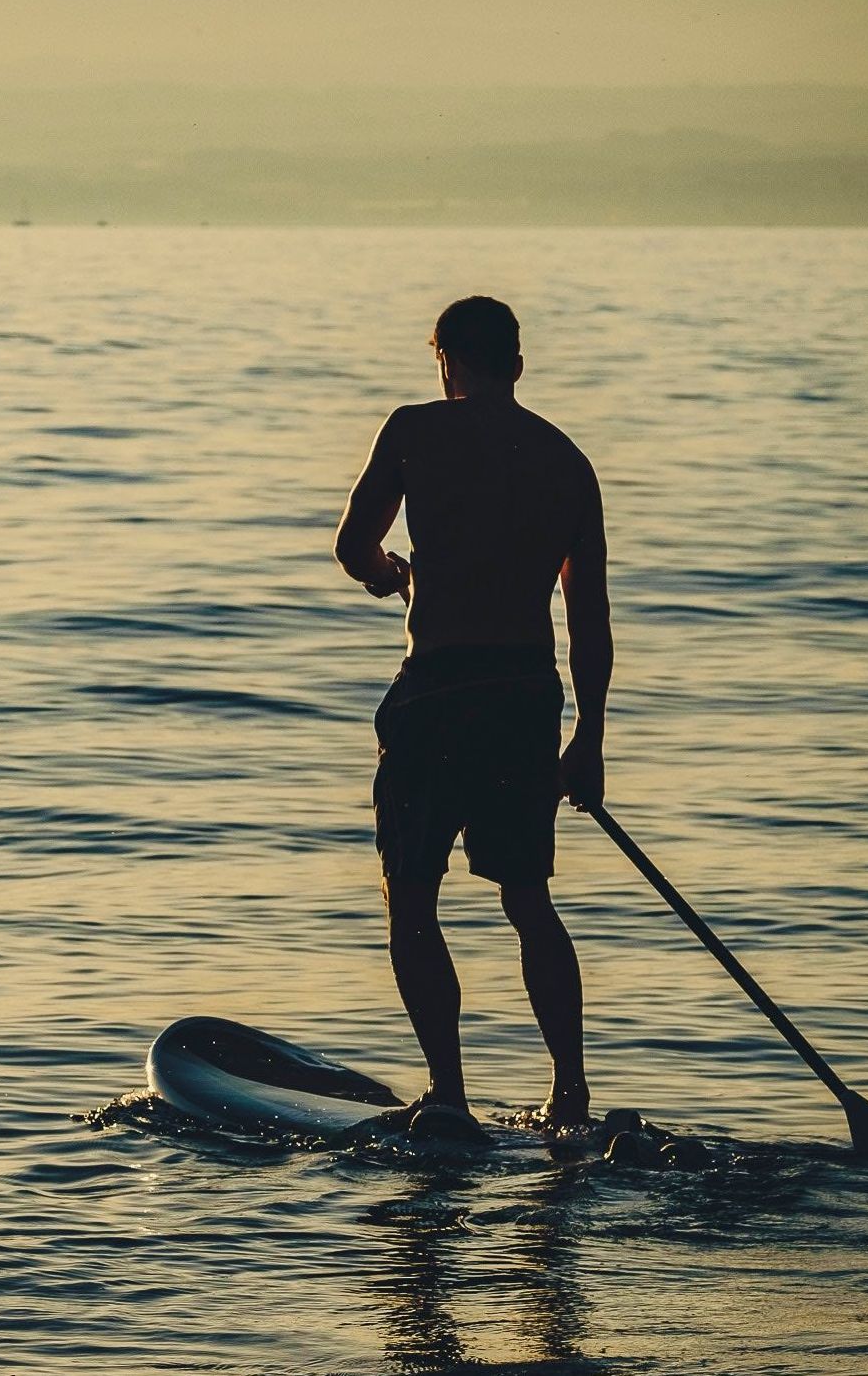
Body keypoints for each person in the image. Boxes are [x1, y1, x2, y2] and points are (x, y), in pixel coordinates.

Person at [333, 295, 610, 1130]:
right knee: (527, 900)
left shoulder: (415, 430)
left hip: (437, 695)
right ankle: (569, 1092)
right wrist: (587, 741)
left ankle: (449, 1095)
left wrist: (394, 575)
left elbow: (353, 545)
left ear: (444, 361)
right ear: (517, 366)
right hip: (525, 698)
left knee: (412, 901)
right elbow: (588, 623)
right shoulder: (567, 462)